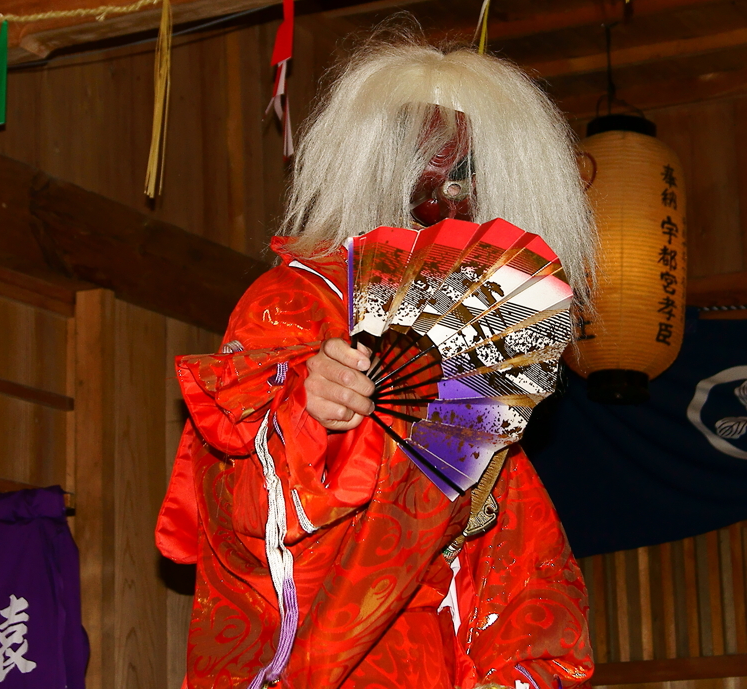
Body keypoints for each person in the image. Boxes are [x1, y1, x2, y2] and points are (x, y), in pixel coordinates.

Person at [156, 31, 596, 689]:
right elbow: (235, 503)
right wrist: (305, 412)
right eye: (421, 162)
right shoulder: (294, 301)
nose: (441, 196)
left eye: (466, 174)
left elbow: (524, 570)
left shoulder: (485, 349)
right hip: (313, 657)